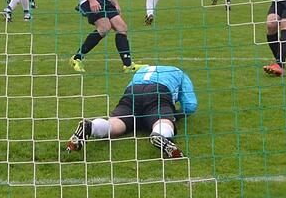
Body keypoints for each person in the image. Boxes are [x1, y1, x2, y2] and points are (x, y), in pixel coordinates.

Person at [65, 65, 197, 159]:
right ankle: (160, 135)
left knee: (116, 124)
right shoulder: (179, 73)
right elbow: (190, 105)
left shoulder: (143, 69)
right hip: (157, 92)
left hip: (132, 93)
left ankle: (91, 126)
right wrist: (174, 116)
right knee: (162, 120)